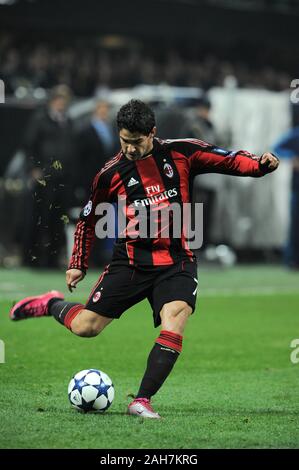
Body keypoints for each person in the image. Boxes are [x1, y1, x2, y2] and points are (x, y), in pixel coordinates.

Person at [10, 99, 279, 419]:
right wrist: (77, 262)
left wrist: (259, 165)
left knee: (176, 318)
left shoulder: (182, 152)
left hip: (177, 260)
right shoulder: (110, 173)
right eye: (125, 141)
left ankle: (142, 400)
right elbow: (88, 218)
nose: (130, 149)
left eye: (137, 142)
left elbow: (228, 159)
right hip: (131, 263)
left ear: (152, 133)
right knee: (86, 328)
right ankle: (50, 303)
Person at [22, 84, 76, 268]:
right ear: (53, 100)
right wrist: (33, 170)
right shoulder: (40, 119)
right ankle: (32, 259)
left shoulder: (67, 121)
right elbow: (29, 146)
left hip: (63, 180)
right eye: (60, 99)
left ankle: (52, 259)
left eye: (65, 100)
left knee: (58, 220)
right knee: (39, 219)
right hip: (44, 178)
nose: (62, 103)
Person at [272, 126, 299, 269]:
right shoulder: (296, 135)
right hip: (297, 188)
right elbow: (277, 147)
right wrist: (292, 157)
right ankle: (292, 260)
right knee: (295, 225)